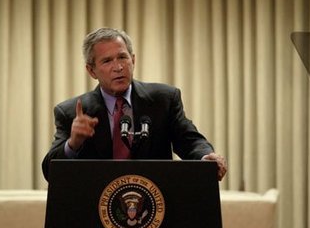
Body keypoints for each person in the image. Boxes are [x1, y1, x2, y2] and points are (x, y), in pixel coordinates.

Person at [42, 27, 227, 181]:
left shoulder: (164, 99)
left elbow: (190, 141)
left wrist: (205, 158)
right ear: (91, 71)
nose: (118, 67)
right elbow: (50, 171)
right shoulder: (71, 112)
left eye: (122, 57)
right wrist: (73, 143)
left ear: (133, 60)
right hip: (98, 209)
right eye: (107, 61)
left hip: (155, 204)